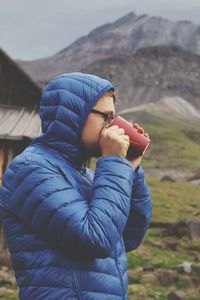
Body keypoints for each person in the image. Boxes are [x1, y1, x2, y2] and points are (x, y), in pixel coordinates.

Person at [0, 73, 152, 300]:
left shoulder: (89, 175)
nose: (112, 127)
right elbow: (95, 239)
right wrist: (113, 164)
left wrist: (129, 169)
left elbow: (128, 236)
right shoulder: (31, 170)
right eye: (106, 117)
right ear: (74, 116)